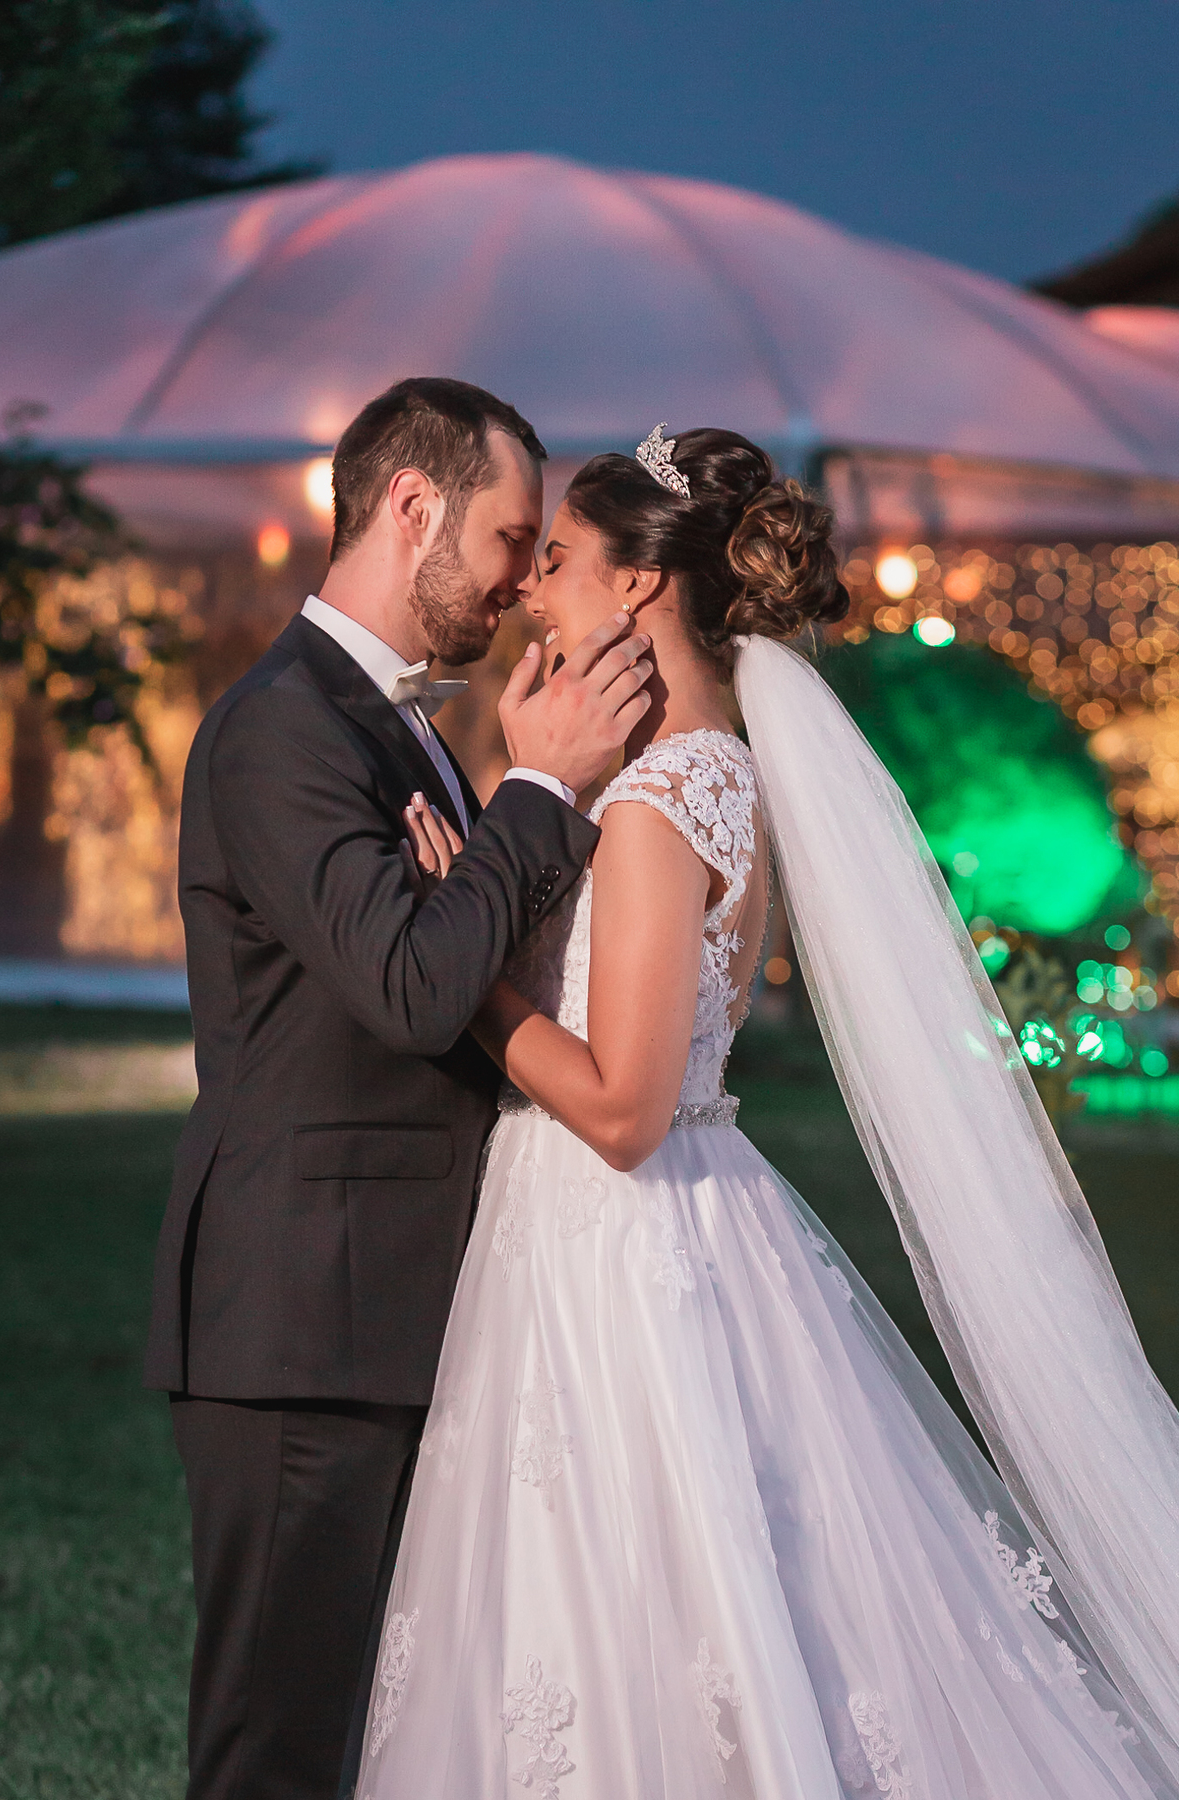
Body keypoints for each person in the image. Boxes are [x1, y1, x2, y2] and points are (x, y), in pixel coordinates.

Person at [366, 425, 1179, 1798]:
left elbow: (621, 1107)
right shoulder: (718, 771)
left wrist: (472, 980)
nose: (532, 591)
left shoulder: (654, 806)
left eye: (557, 560)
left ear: (636, 589)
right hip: (690, 1209)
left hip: (614, 1233)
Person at [144, 377, 655, 1800]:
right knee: (277, 1750)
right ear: (411, 504)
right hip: (306, 1325)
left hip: (392, 1312)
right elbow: (421, 987)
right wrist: (538, 795)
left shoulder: (405, 726)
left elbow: (452, 951)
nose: (515, 578)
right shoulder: (283, 730)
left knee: (373, 1743)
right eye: (506, 536)